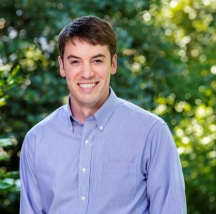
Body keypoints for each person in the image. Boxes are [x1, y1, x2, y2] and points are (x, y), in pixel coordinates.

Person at [20, 16, 187, 214]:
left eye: (97, 60)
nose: (87, 73)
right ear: (62, 66)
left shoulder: (151, 133)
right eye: (75, 61)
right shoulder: (36, 141)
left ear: (113, 64)